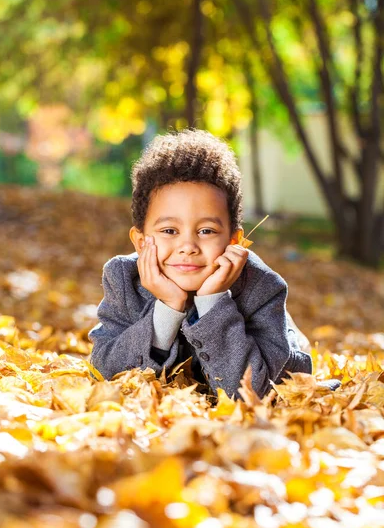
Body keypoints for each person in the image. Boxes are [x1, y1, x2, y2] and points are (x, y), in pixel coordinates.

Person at [88, 129, 336, 400]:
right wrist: (169, 308)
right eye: (170, 231)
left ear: (234, 241)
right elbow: (103, 372)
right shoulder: (123, 279)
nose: (188, 246)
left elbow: (254, 396)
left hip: (284, 353)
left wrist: (212, 302)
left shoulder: (263, 287)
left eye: (206, 231)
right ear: (140, 241)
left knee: (293, 349)